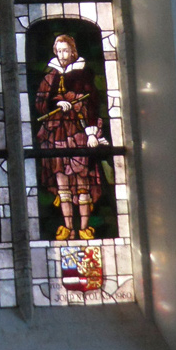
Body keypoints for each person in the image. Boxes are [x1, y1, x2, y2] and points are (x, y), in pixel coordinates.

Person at [35, 33, 107, 241]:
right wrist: (55, 104)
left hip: (78, 134)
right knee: (62, 183)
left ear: (73, 52)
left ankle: (84, 228)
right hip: (55, 133)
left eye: (66, 50)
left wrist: (91, 130)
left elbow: (93, 103)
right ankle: (67, 227)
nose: (62, 55)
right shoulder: (49, 76)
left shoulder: (84, 75)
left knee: (81, 181)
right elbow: (40, 102)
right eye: (58, 51)